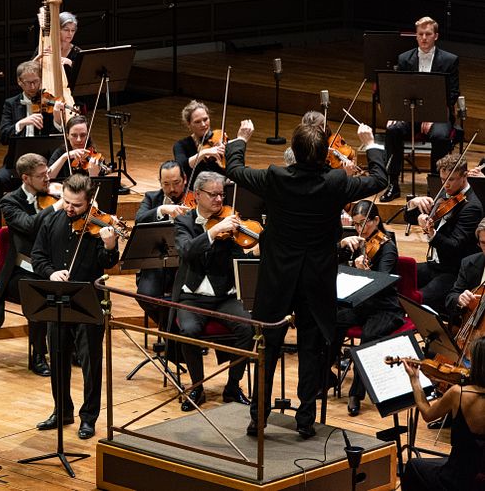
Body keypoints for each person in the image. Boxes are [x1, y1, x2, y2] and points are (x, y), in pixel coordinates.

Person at [225, 119, 387, 438]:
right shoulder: (336, 181)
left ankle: (258, 417)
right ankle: (305, 419)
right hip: (316, 279)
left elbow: (234, 170)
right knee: (311, 346)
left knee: (267, 346)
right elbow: (380, 178)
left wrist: (241, 139)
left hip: (277, 278)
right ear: (326, 153)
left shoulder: (276, 177)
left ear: (294, 153)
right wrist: (369, 143)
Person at [31, 173, 120, 439]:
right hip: (57, 299)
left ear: (90, 201)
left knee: (91, 362)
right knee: (57, 357)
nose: (70, 208)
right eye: (66, 201)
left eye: (77, 205)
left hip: (88, 300)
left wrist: (110, 243)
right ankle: (62, 410)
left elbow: (107, 262)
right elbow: (38, 256)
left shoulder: (98, 227)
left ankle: (88, 417)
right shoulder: (51, 219)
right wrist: (50, 274)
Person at [173, 171, 254, 410]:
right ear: (197, 195)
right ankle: (197, 386)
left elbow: (239, 256)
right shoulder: (184, 222)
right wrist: (213, 232)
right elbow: (186, 251)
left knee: (247, 328)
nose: (219, 200)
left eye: (221, 194)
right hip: (193, 296)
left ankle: (232, 386)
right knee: (188, 331)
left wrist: (247, 244)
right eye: (213, 195)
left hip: (225, 296)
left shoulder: (231, 220)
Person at [0, 153, 65, 376]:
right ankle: (38, 355)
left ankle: (72, 349)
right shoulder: (10, 202)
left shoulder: (50, 195)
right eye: (41, 176)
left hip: (50, 268)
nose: (47, 179)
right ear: (26, 178)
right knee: (39, 293)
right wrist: (57, 207)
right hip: (21, 272)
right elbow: (29, 225)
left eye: (47, 173)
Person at [0, 60, 62, 255]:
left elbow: (58, 138)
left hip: (43, 166)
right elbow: (2, 136)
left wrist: (57, 119)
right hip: (15, 166)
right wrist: (21, 123)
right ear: (20, 82)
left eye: (36, 82)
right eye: (29, 83)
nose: (33, 87)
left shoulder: (48, 102)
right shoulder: (11, 104)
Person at [335, 200, 404, 416]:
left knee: (368, 335)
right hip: (361, 304)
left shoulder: (388, 246)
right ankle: (325, 377)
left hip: (385, 308)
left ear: (375, 220)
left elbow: (382, 282)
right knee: (330, 320)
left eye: (363, 224)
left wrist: (365, 271)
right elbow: (336, 268)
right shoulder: (357, 242)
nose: (359, 229)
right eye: (355, 225)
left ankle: (356, 393)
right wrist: (344, 251)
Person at [381, 16, 459, 202]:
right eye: (420, 34)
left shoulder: (450, 60)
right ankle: (393, 184)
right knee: (392, 130)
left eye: (428, 34)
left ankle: (436, 186)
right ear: (416, 36)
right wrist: (395, 114)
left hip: (437, 114)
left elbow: (453, 93)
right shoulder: (404, 58)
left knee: (440, 136)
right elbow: (399, 91)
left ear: (436, 36)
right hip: (410, 114)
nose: (424, 37)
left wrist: (431, 114)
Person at [400, 337, 485, 490]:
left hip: (458, 477)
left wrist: (414, 379)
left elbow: (427, 414)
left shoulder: (459, 393)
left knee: (413, 466)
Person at [404, 154, 482, 315]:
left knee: (419, 300)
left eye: (451, 179)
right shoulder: (445, 194)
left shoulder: (472, 207)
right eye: (443, 179)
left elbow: (454, 246)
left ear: (465, 176)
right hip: (434, 264)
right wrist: (413, 204)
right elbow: (409, 217)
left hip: (452, 271)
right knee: (398, 279)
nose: (446, 185)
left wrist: (432, 233)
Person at [135, 161, 191, 328]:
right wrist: (162, 210)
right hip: (157, 264)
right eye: (166, 184)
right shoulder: (152, 198)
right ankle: (171, 332)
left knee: (188, 299)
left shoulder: (195, 199)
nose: (172, 189)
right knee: (145, 296)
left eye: (176, 183)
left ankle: (174, 336)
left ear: (185, 179)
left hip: (186, 266)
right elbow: (139, 220)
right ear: (160, 182)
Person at [173, 100, 226, 183]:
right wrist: (203, 153)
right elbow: (182, 167)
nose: (203, 124)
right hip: (194, 190)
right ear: (188, 124)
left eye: (205, 119)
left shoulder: (219, 138)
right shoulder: (181, 145)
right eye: (197, 122)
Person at [445, 218, 485, 322]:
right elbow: (451, 297)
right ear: (479, 244)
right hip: (472, 327)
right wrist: (459, 299)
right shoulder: (468, 263)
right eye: (484, 243)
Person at [34, 11, 81, 80]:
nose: (70, 33)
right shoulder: (45, 47)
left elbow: (83, 75)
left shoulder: (77, 52)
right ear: (57, 29)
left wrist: (71, 63)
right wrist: (38, 57)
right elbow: (27, 71)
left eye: (73, 30)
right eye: (66, 30)